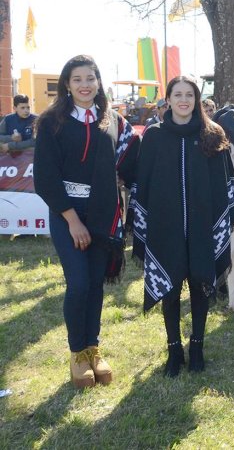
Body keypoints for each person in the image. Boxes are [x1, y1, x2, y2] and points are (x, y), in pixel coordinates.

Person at [33, 55, 140, 388]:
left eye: (90, 78)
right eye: (77, 79)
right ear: (67, 83)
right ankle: (77, 352)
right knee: (78, 284)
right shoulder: (52, 122)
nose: (84, 85)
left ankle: (93, 348)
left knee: (95, 285)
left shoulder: (114, 122)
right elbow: (45, 177)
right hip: (67, 214)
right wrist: (72, 220)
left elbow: (132, 164)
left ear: (98, 82)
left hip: (103, 214)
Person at [131, 76, 234, 376]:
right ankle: (173, 349)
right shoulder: (154, 136)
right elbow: (143, 183)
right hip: (165, 225)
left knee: (199, 283)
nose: (184, 100)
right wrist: (143, 222)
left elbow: (224, 183)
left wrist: (220, 219)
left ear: (196, 100)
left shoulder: (212, 134)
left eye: (189, 95)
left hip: (202, 226)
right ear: (167, 99)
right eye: (177, 94)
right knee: (169, 286)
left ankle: (196, 346)